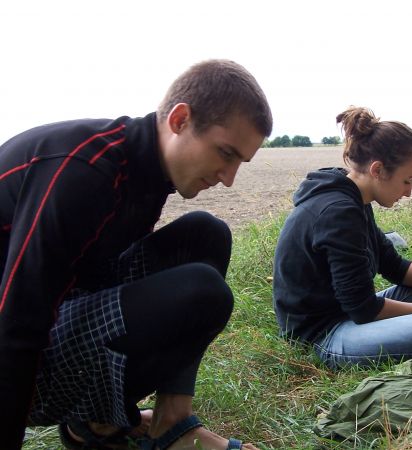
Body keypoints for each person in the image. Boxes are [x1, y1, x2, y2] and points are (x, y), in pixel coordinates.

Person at [0, 59, 271, 450]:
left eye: (239, 163)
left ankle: (166, 422)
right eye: (225, 154)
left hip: (58, 317)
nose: (228, 179)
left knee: (205, 234)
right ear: (180, 120)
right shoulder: (84, 170)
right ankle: (93, 425)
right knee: (202, 291)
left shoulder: (146, 169)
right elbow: (17, 319)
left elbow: (98, 273)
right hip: (12, 342)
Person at [272, 106, 412, 370]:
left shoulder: (353, 197)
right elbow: (363, 308)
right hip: (322, 334)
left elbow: (394, 266)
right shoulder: (338, 213)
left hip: (348, 313)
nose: (409, 192)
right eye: (407, 180)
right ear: (377, 170)